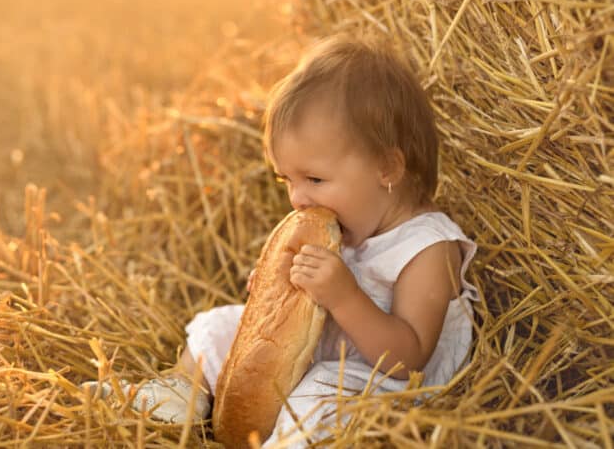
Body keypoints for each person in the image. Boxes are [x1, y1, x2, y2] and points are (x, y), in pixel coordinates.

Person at [83, 34, 479, 446]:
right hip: (325, 355)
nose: (297, 198)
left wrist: (344, 297)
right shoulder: (348, 221)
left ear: (387, 167)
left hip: (378, 384)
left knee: (322, 393)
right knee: (225, 326)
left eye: (315, 179)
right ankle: (179, 395)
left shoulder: (427, 248)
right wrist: (276, 295)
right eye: (286, 179)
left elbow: (409, 360)